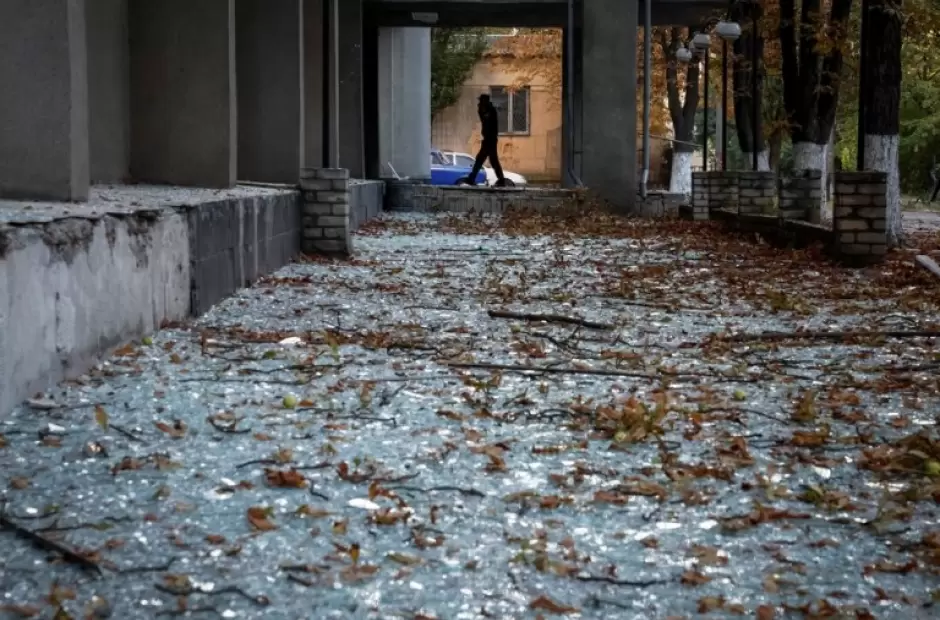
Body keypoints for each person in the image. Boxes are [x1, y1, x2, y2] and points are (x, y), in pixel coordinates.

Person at [466, 94, 507, 187]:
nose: (479, 103)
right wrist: (481, 108)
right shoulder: (486, 110)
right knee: (490, 160)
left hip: (490, 139)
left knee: (482, 159)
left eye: (481, 101)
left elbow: (486, 117)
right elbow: (482, 116)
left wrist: (484, 108)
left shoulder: (491, 111)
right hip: (488, 139)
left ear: (485, 101)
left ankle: (472, 178)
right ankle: (501, 180)